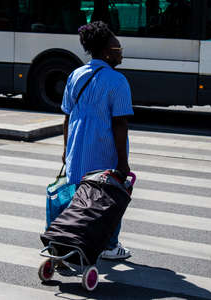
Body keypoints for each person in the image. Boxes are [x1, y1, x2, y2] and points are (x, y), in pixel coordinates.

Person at [61, 21, 134, 260]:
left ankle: (72, 243)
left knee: (77, 202)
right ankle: (110, 246)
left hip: (77, 151)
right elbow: (120, 123)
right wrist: (123, 162)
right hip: (104, 153)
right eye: (116, 46)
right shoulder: (118, 81)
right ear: (105, 51)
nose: (120, 50)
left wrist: (66, 150)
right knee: (107, 202)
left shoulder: (75, 75)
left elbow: (67, 116)